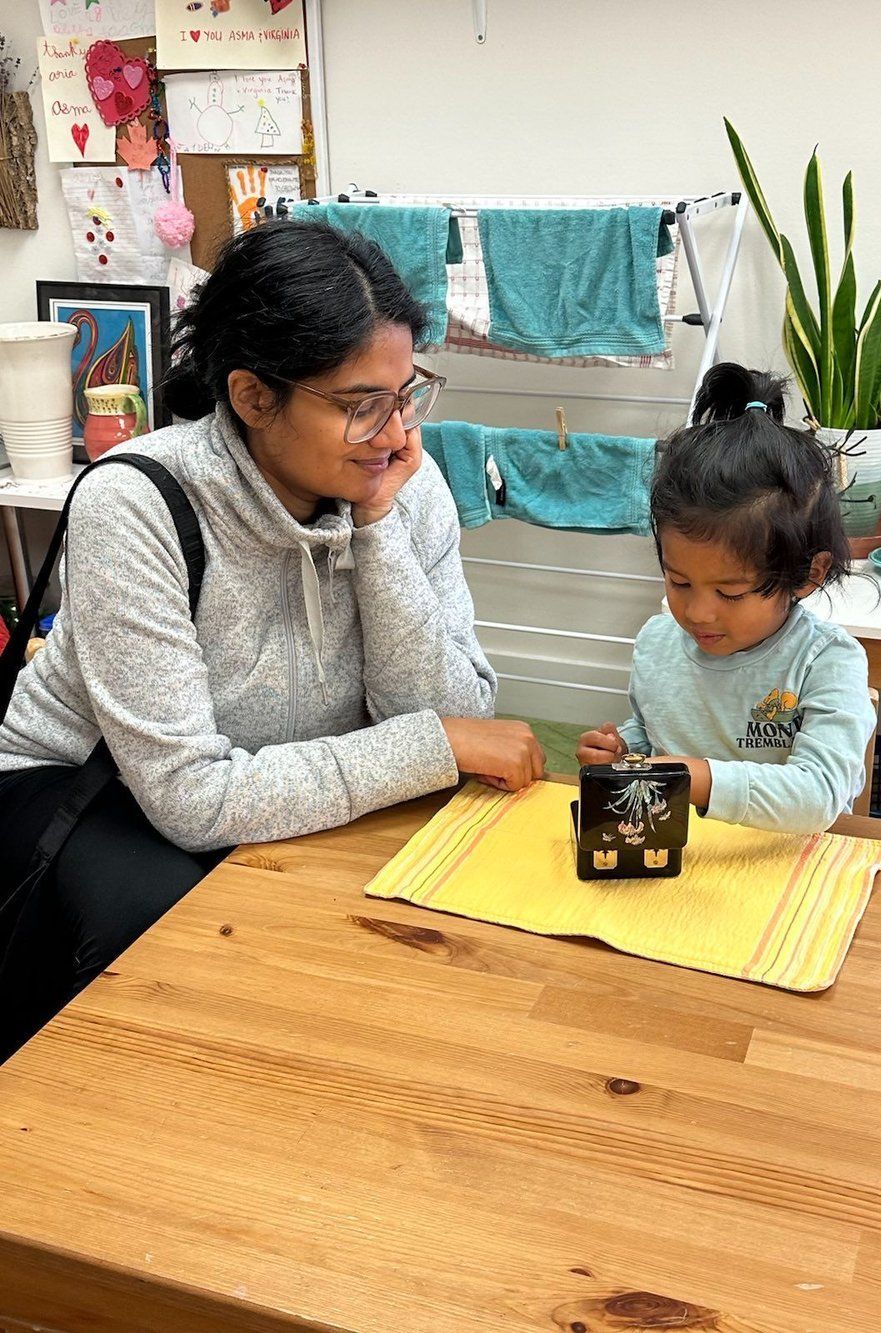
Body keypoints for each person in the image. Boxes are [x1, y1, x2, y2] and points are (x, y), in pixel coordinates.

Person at [0, 220, 543, 1058]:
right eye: (362, 405)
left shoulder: (402, 480)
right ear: (254, 397)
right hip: (89, 794)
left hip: (278, 788)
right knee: (183, 961)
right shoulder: (137, 503)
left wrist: (377, 527)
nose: (398, 433)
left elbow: (447, 709)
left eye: (407, 392)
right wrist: (433, 744)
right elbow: (192, 799)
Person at [577, 362, 874, 834]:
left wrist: (690, 777)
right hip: (678, 854)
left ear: (807, 574)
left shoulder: (826, 662)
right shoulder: (658, 642)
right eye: (678, 582)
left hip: (784, 868)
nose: (697, 612)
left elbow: (820, 795)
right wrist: (622, 752)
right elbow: (652, 735)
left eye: (731, 592)